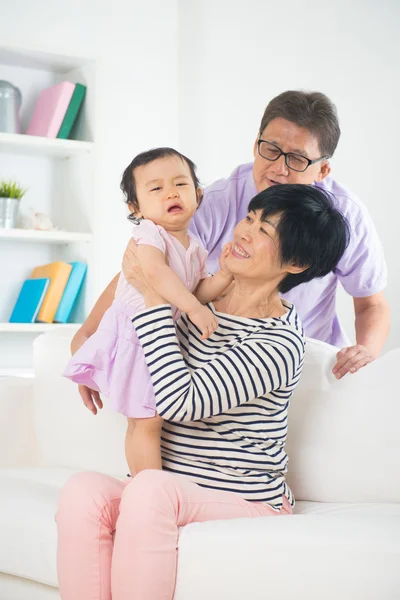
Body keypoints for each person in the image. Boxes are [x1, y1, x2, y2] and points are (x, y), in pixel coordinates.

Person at [57, 183, 350, 600]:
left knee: (149, 488)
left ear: (297, 262)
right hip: (169, 489)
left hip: (244, 498)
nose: (245, 232)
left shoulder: (279, 342)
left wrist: (156, 299)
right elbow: (133, 312)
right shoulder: (198, 301)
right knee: (82, 491)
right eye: (250, 218)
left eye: (265, 231)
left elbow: (181, 400)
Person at [189, 90, 390, 379]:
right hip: (222, 355)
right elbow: (149, 266)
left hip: (310, 361)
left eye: (296, 159)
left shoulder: (344, 216)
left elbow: (371, 303)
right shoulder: (217, 201)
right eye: (270, 149)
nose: (278, 169)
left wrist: (365, 352)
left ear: (323, 170)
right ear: (255, 143)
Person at [63, 147, 233, 474]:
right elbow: (154, 273)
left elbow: (194, 288)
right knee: (147, 420)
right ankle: (147, 487)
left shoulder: (195, 247)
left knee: (149, 419)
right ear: (135, 208)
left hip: (155, 338)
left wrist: (223, 276)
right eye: (156, 188)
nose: (170, 192)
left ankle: (147, 487)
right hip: (134, 335)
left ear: (198, 195)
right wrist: (194, 309)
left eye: (180, 184)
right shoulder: (149, 234)